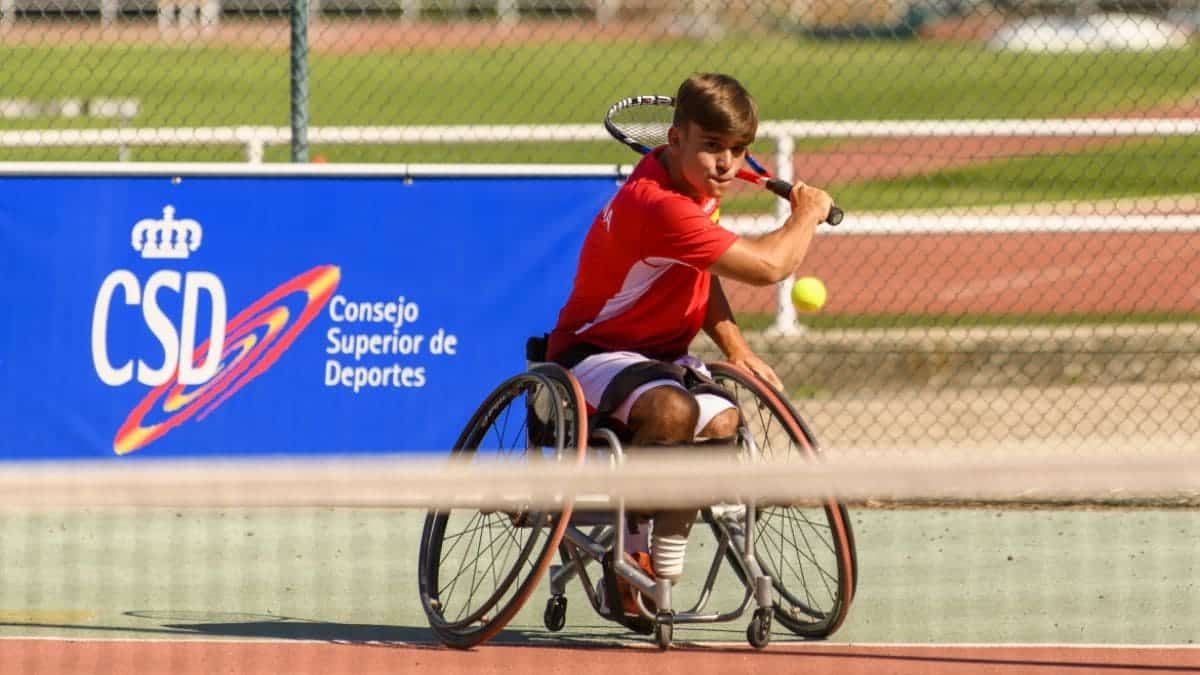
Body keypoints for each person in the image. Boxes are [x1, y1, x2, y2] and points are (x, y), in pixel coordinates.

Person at [544, 72, 834, 624]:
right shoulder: (660, 207)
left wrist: (737, 347)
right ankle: (627, 556)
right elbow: (771, 266)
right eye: (712, 147)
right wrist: (805, 214)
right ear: (675, 139)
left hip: (663, 357)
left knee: (722, 423)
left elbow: (700, 276)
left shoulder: (688, 186)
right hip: (591, 353)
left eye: (738, 150)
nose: (727, 164)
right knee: (673, 410)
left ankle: (663, 576)